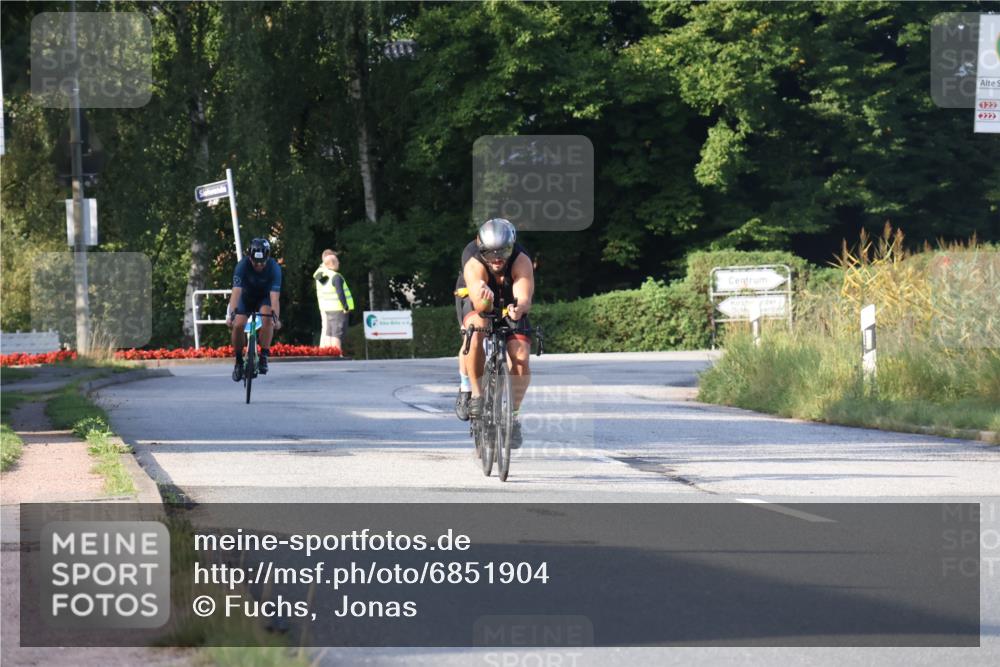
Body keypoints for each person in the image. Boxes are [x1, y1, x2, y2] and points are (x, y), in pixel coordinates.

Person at [453, 218, 534, 448]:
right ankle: (474, 393)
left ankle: (513, 416)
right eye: (490, 253)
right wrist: (486, 301)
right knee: (475, 330)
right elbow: (480, 305)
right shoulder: (473, 260)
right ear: (481, 247)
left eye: (503, 252)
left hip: (509, 297)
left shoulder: (521, 259)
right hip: (478, 297)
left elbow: (524, 297)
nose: (497, 259)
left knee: (521, 357)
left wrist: (518, 309)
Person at [226, 238, 282, 380]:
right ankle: (238, 360)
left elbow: (274, 298)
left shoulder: (274, 268)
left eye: (262, 263)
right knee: (238, 325)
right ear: (249, 258)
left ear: (267, 259)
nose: (258, 266)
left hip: (264, 298)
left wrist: (276, 318)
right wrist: (231, 314)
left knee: (267, 318)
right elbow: (236, 293)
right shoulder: (242, 266)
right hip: (245, 297)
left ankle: (263, 355)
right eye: (255, 262)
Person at [313, 250, 354, 350]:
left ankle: (329, 354)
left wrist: (326, 262)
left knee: (329, 332)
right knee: (337, 333)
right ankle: (337, 354)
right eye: (337, 261)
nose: (339, 263)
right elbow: (340, 293)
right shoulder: (336, 276)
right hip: (338, 308)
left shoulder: (322, 275)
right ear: (332, 263)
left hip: (327, 308)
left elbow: (317, 275)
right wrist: (345, 306)